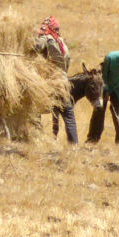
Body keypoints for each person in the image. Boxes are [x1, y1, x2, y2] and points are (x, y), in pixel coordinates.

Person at [35, 16, 78, 145]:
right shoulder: (61, 41)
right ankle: (74, 145)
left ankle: (35, 140)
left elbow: (36, 47)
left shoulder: (47, 38)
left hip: (50, 82)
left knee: (34, 110)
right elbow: (67, 62)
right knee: (68, 115)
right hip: (63, 82)